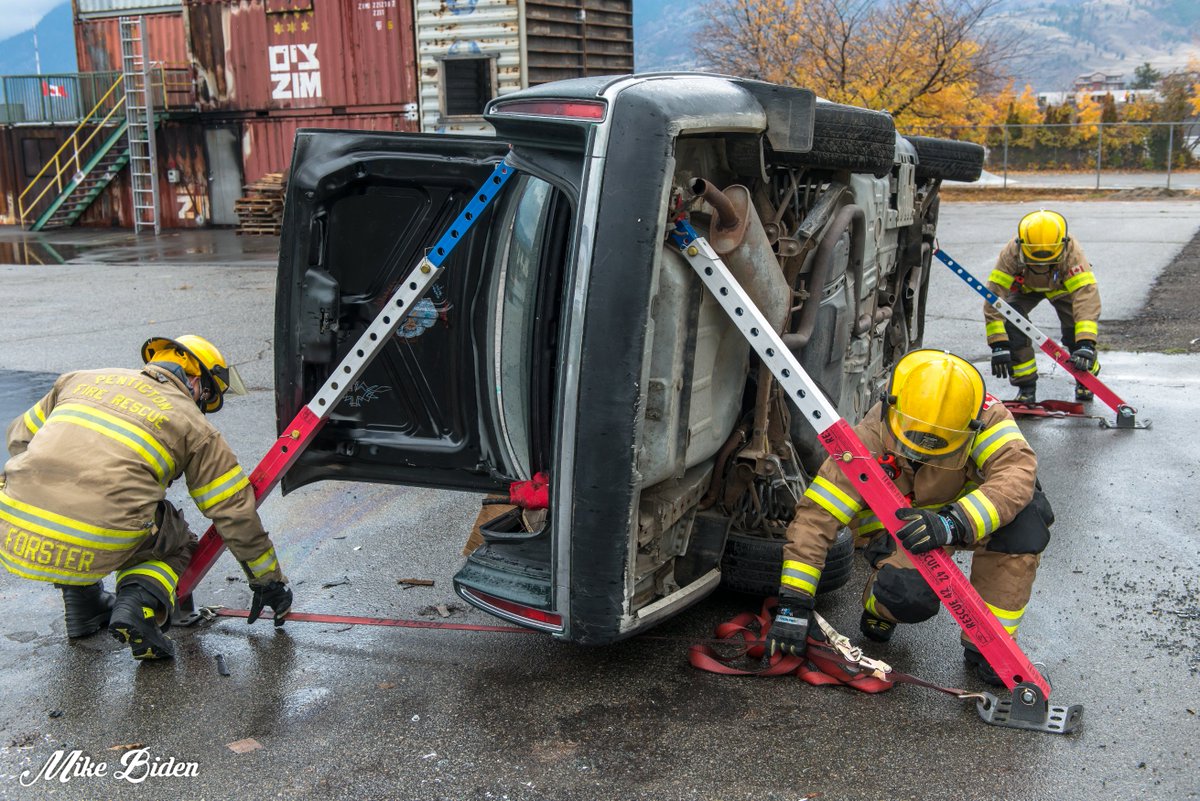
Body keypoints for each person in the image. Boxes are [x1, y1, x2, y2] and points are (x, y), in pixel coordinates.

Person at [765, 350, 1053, 685]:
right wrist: (794, 604)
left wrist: (952, 523)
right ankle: (879, 604)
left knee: (1027, 519)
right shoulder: (870, 436)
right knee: (909, 597)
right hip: (900, 527)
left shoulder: (987, 420)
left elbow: (1017, 475)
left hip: (963, 517)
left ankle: (991, 646)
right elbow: (817, 519)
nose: (920, 457)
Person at [1, 335, 292, 661]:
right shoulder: (193, 424)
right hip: (98, 529)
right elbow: (232, 510)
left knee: (79, 503)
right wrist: (268, 581)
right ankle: (136, 606)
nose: (202, 407)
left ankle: (84, 608)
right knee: (174, 539)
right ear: (195, 381)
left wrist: (49, 482)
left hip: (13, 520)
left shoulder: (79, 379)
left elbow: (19, 437)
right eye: (206, 396)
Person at [984, 209, 1101, 403]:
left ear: (1062, 245)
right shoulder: (1011, 253)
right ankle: (1026, 387)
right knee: (1011, 323)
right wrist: (998, 344)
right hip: (1024, 289)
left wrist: (1086, 343)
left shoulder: (1072, 252)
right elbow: (995, 297)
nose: (1042, 264)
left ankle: (1086, 378)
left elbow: (1086, 297)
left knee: (1076, 327)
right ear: (1022, 245)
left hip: (1062, 287)